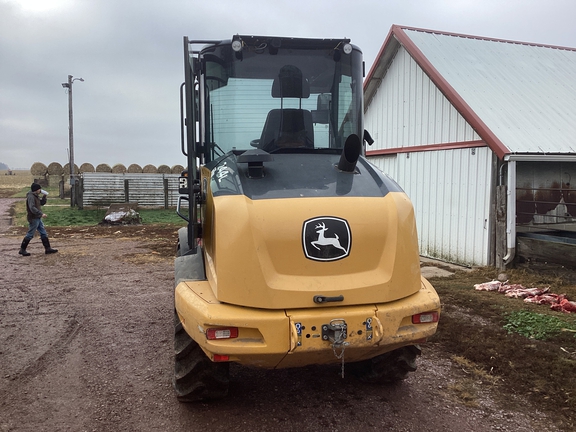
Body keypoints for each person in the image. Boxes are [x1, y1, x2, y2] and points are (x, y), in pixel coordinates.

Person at [18, 183, 58, 256]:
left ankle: (48, 249)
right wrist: (41, 214)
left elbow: (41, 203)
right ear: (36, 190)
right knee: (30, 234)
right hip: (33, 218)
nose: (40, 190)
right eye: (39, 189)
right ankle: (22, 249)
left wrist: (44, 196)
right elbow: (32, 208)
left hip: (37, 217)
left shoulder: (35, 196)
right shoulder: (31, 197)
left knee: (43, 233)